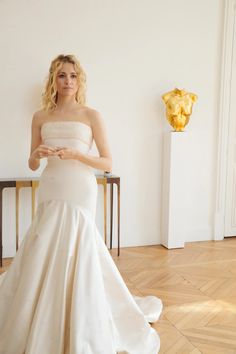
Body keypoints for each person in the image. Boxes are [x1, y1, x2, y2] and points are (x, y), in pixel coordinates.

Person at [0, 54, 162, 354]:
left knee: (79, 245)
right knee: (44, 243)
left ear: (80, 79)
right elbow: (32, 163)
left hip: (80, 188)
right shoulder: (40, 116)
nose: (68, 81)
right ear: (53, 79)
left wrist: (77, 155)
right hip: (52, 185)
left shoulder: (91, 115)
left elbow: (107, 161)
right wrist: (39, 153)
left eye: (73, 75)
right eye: (62, 75)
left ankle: (81, 312)